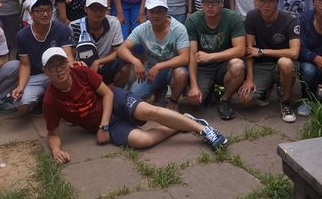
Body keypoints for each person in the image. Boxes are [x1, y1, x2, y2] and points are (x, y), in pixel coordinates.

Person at [42, 47, 228, 163]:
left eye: (62, 64)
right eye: (52, 67)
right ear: (45, 71)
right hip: (109, 125)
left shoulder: (80, 71)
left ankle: (203, 130)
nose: (59, 70)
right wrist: (56, 150)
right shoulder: (50, 100)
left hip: (115, 101)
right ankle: (183, 122)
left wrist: (103, 126)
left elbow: (107, 94)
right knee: (142, 141)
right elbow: (53, 134)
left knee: (148, 110)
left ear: (68, 63)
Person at [117, 0, 189, 112]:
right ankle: (159, 89)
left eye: (160, 11)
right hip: (151, 68)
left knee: (181, 74)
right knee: (135, 97)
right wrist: (136, 62)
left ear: (166, 11)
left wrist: (159, 66)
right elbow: (122, 49)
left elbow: (185, 57)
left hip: (172, 68)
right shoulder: (142, 29)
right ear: (146, 12)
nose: (156, 15)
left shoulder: (178, 28)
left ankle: (173, 101)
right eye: (151, 11)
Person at [238, 0, 301, 123]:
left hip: (283, 63)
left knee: (285, 63)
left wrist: (262, 52)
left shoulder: (290, 20)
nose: (266, 5)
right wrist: (249, 78)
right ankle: (267, 88)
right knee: (245, 99)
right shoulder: (252, 16)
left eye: (271, 1)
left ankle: (286, 102)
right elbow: (249, 49)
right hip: (262, 65)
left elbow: (294, 53)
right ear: (257, 1)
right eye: (262, 0)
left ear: (277, 2)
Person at [186, 0, 245, 120]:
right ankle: (210, 90)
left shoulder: (233, 18)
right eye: (206, 2)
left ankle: (225, 99)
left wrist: (211, 56)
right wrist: (194, 86)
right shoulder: (192, 20)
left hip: (224, 64)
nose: (210, 6)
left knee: (238, 65)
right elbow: (191, 55)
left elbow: (240, 49)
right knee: (195, 100)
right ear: (201, 3)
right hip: (202, 67)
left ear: (222, 3)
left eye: (214, 2)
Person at [13, 0, 74, 115]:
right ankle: (43, 97)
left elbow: (68, 56)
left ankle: (52, 98)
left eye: (48, 10)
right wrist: (21, 86)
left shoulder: (63, 29)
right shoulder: (22, 35)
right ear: (31, 14)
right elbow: (25, 65)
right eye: (40, 11)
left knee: (70, 92)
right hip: (36, 74)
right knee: (22, 105)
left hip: (58, 71)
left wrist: (73, 70)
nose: (45, 14)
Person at [69, 0, 130, 88]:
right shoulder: (74, 26)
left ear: (106, 9)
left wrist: (98, 62)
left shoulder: (114, 23)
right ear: (85, 9)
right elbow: (71, 56)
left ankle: (116, 90)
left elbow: (118, 52)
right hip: (83, 70)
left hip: (105, 65)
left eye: (101, 8)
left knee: (124, 63)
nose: (98, 12)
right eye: (93, 8)